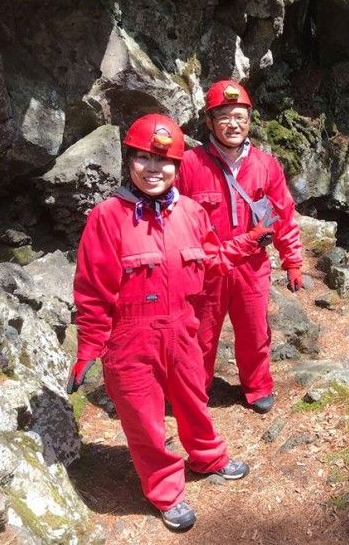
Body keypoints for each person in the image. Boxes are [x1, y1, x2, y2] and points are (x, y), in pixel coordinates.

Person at [66, 113, 275, 531]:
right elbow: (92, 290)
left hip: (182, 328)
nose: (154, 169)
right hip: (130, 338)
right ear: (129, 162)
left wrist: (249, 242)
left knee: (194, 400)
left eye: (164, 161)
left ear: (178, 167)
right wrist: (90, 346)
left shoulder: (192, 213)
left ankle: (207, 457)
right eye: (144, 158)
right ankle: (165, 489)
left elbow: (212, 259)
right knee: (144, 417)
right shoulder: (107, 217)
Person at [176, 80, 303, 414]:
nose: (233, 124)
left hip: (252, 265)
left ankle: (257, 385)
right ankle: (195, 390)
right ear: (209, 121)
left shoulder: (266, 165)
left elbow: (284, 214)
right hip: (206, 267)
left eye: (240, 116)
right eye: (224, 116)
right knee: (200, 333)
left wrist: (292, 258)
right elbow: (173, 217)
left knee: (254, 329)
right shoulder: (189, 164)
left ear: (249, 120)